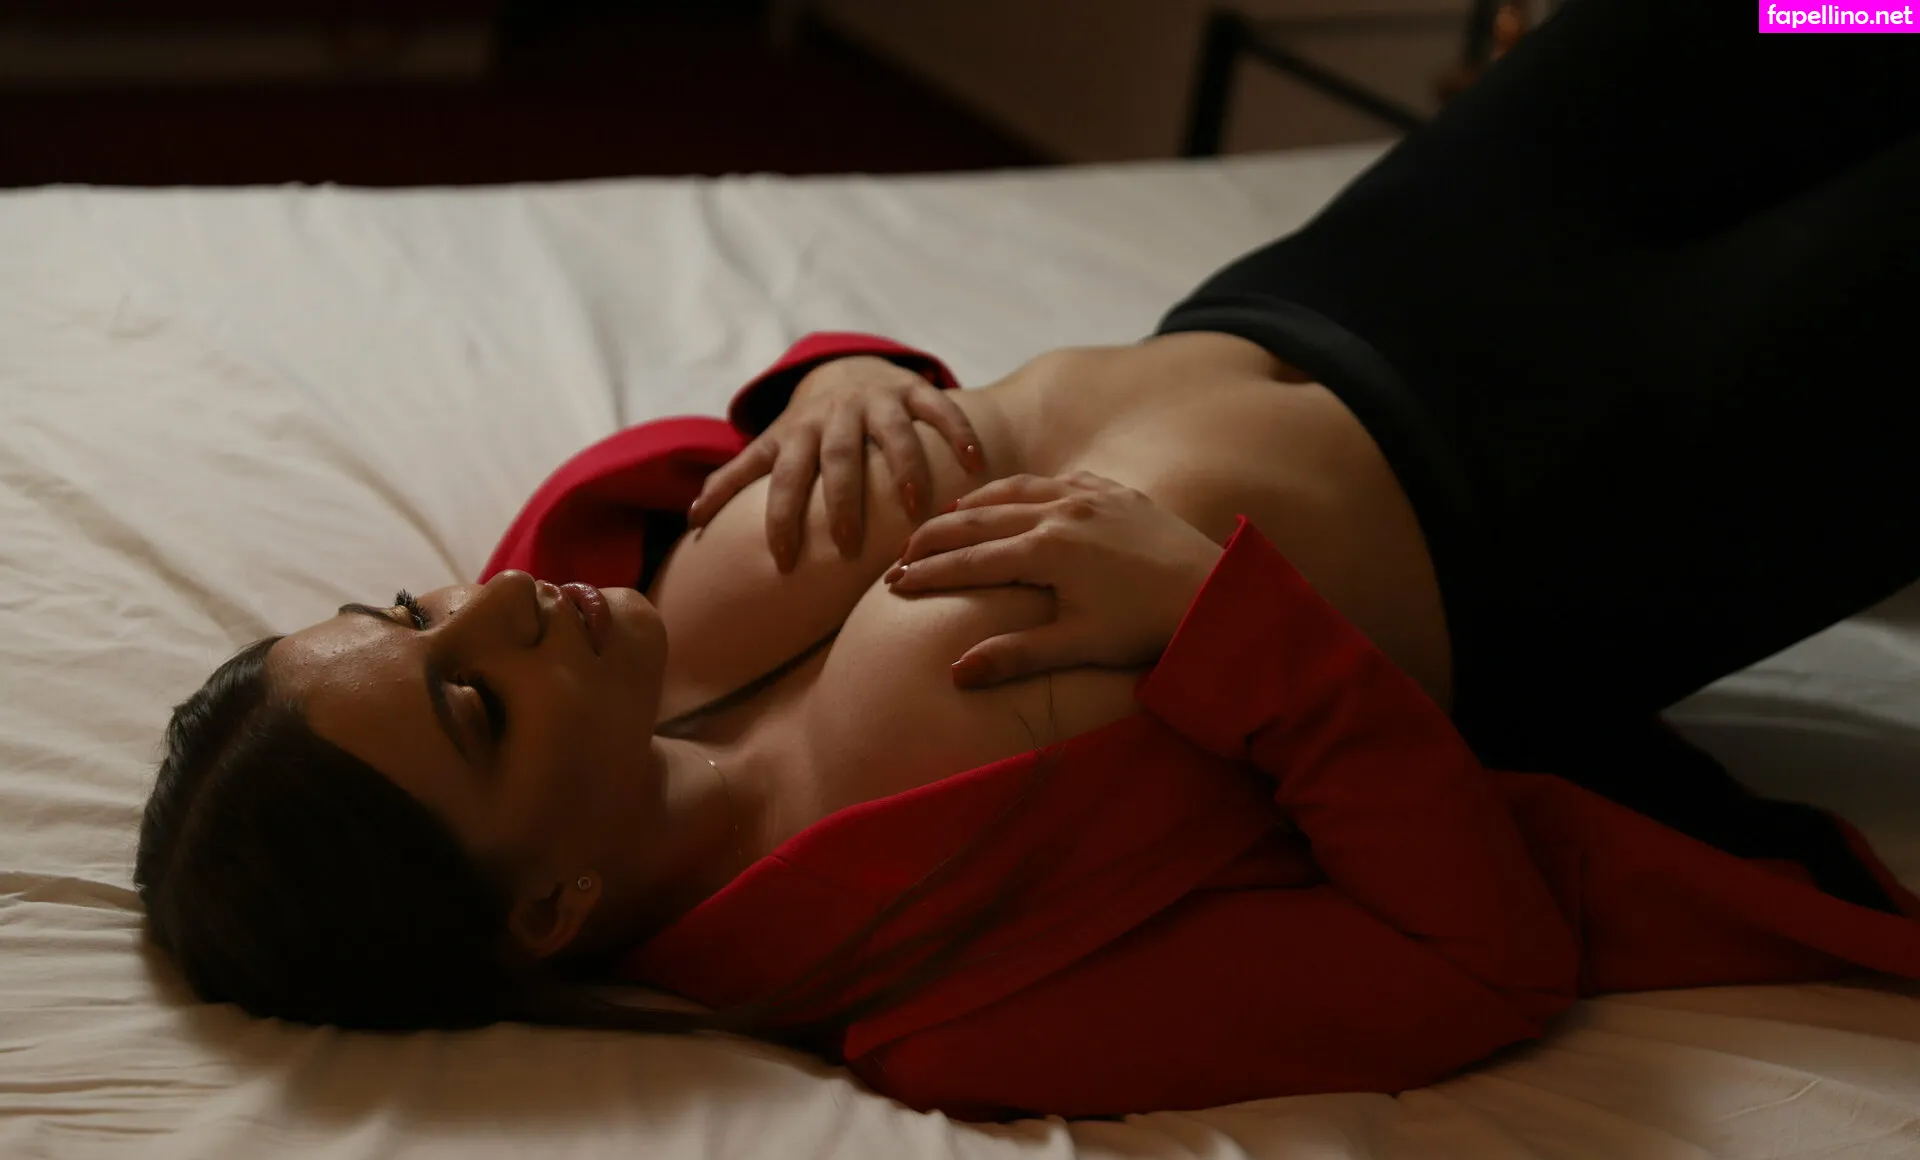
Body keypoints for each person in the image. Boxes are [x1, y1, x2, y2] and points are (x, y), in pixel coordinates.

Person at [135, 0, 1920, 1123]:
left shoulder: (597, 597)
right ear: (543, 913)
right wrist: (1232, 628)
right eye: (467, 701)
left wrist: (841, 379)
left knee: (1809, 15)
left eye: (405, 612)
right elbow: (1475, 962)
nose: (488, 606)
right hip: (1592, 485)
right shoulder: (951, 1009)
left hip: (1373, 276)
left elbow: (809, 412)